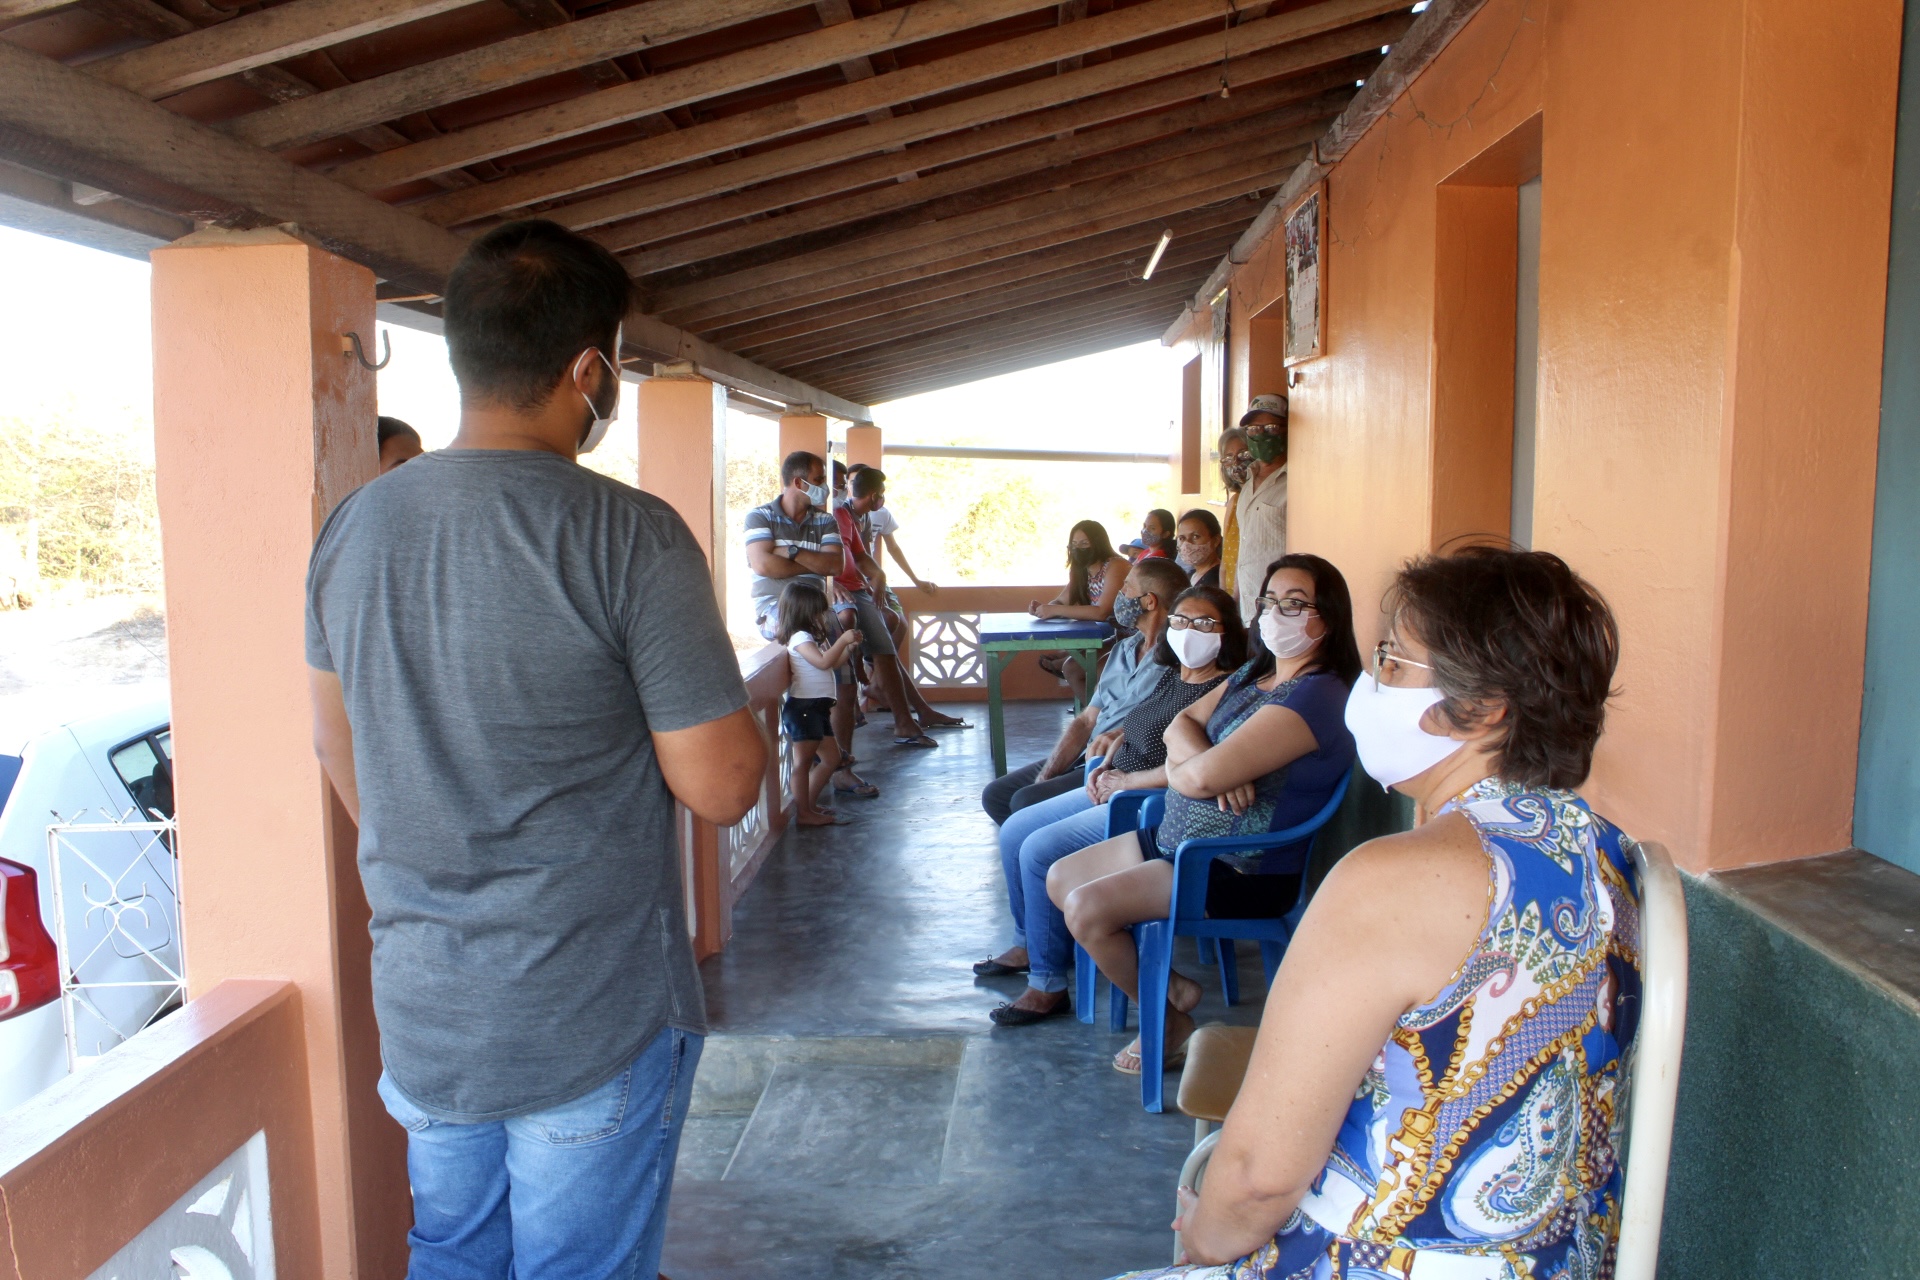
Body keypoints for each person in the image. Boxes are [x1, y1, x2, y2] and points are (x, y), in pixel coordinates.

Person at [304, 218, 766, 1279]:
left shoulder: (352, 530)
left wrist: (448, 855)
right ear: (589, 370)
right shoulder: (630, 535)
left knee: (454, 1255)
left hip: (428, 1003)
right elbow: (723, 784)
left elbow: (337, 742)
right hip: (587, 1008)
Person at [1104, 546, 1635, 1280]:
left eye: (1391, 661)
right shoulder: (1608, 854)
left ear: (1484, 708)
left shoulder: (1392, 881)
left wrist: (1208, 1230)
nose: (1370, 682)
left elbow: (1257, 1178)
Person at [1051, 554, 1360, 1074]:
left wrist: (1202, 770)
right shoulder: (1256, 673)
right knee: (1061, 878)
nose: (1276, 614)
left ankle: (1168, 1021)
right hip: (1179, 840)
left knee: (1086, 909)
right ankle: (1172, 987)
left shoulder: (1317, 696)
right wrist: (1211, 764)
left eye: (1294, 604)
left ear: (1326, 616)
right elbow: (1180, 725)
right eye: (1269, 601)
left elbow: (1194, 779)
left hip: (1234, 866)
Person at [978, 581, 1243, 1026]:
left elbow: (1197, 765)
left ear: (1226, 632)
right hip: (1110, 779)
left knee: (1038, 850)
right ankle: (1030, 942)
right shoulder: (1174, 672)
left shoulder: (1224, 689)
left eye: (1203, 624)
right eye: (1181, 621)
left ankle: (1047, 983)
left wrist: (1126, 781)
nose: (1188, 632)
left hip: (1143, 800)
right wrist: (1109, 757)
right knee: (1016, 829)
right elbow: (1133, 723)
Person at [981, 556, 1192, 826]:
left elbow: (1173, 721)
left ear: (1149, 601)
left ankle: (1058, 842)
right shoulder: (1123, 649)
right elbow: (1086, 719)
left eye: (1126, 587)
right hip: (1088, 753)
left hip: (1119, 761)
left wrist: (1122, 734)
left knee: (1025, 801)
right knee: (997, 795)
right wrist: (1049, 772)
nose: (1119, 594)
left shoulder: (1179, 659)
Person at [743, 452, 875, 799]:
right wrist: (810, 561)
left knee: (845, 682)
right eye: (818, 481)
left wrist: (789, 551)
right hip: (777, 610)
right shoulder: (760, 516)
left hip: (818, 612)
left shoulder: (825, 521)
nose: (825, 488)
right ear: (798, 482)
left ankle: (839, 768)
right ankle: (821, 767)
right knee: (818, 654)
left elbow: (833, 565)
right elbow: (762, 565)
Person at [841, 467, 966, 730]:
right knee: (885, 636)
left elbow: (869, 554)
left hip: (867, 582)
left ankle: (902, 701)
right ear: (874, 494)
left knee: (894, 628)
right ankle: (895, 700)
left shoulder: (868, 516)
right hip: (851, 590)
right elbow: (842, 561)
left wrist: (889, 577)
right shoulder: (840, 514)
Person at [831, 467, 940, 749]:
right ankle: (841, 751)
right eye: (835, 484)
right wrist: (830, 584)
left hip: (858, 587)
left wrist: (878, 574)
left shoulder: (846, 516)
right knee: (851, 629)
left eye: (841, 484)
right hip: (836, 593)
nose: (840, 490)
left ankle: (904, 720)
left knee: (886, 647)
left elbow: (859, 554)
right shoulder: (822, 516)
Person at [776, 579, 859, 828]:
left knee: (831, 758)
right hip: (805, 708)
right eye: (819, 612)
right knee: (802, 764)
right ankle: (804, 812)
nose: (823, 617)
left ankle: (808, 805)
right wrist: (842, 641)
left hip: (817, 707)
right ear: (805, 612)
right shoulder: (800, 637)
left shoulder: (810, 637)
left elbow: (831, 663)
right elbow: (822, 663)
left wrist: (849, 648)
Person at [1033, 519, 1131, 701]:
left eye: (1085, 543)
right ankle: (1093, 717)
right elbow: (1061, 601)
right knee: (1071, 668)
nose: (1078, 549)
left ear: (1098, 543)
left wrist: (1054, 609)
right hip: (1119, 637)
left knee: (1096, 673)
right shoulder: (1082, 571)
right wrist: (1041, 609)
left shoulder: (1115, 566)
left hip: (1138, 638)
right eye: (1074, 544)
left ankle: (1104, 716)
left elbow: (1101, 612)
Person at [1233, 395, 1289, 623]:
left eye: (1271, 427)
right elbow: (1245, 547)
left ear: (1287, 430)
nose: (1262, 434)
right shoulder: (1247, 483)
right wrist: (1236, 598)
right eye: (1254, 429)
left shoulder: (1296, 483)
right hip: (1247, 610)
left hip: (1281, 612)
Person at [1216, 427, 1250, 600]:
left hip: (1248, 591)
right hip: (1230, 596)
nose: (1236, 462)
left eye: (1243, 454)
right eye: (1228, 457)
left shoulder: (1258, 501)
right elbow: (1225, 560)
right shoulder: (1234, 501)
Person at [1174, 508, 1222, 588]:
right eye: (1182, 538)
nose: (1187, 544)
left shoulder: (1218, 579)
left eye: (1195, 537)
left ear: (1215, 540)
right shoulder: (1192, 574)